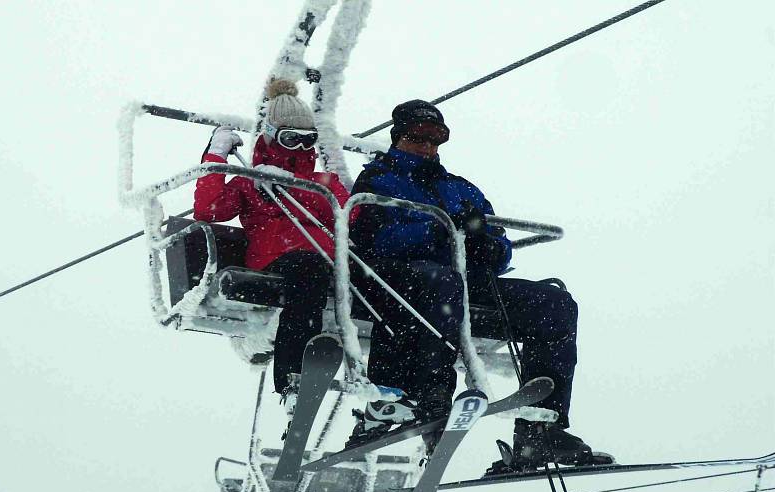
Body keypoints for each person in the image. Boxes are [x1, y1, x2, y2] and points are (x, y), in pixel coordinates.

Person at [350, 99, 608, 471]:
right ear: (397, 136)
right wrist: (441, 233)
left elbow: (498, 243)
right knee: (443, 282)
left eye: (436, 136)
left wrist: (488, 245)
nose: (426, 144)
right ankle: (431, 395)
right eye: (417, 136)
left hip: (462, 285)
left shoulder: (460, 188)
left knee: (553, 304)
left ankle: (540, 429)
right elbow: (373, 238)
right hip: (402, 283)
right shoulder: (377, 180)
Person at [193, 79, 352, 425]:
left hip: (325, 261)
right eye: (289, 138)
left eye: (307, 140)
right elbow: (208, 211)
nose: (298, 148)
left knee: (367, 277)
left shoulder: (324, 183)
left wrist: (297, 187)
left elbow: (350, 215)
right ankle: (292, 377)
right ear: (269, 135)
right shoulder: (250, 181)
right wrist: (217, 155)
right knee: (308, 272)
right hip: (278, 259)